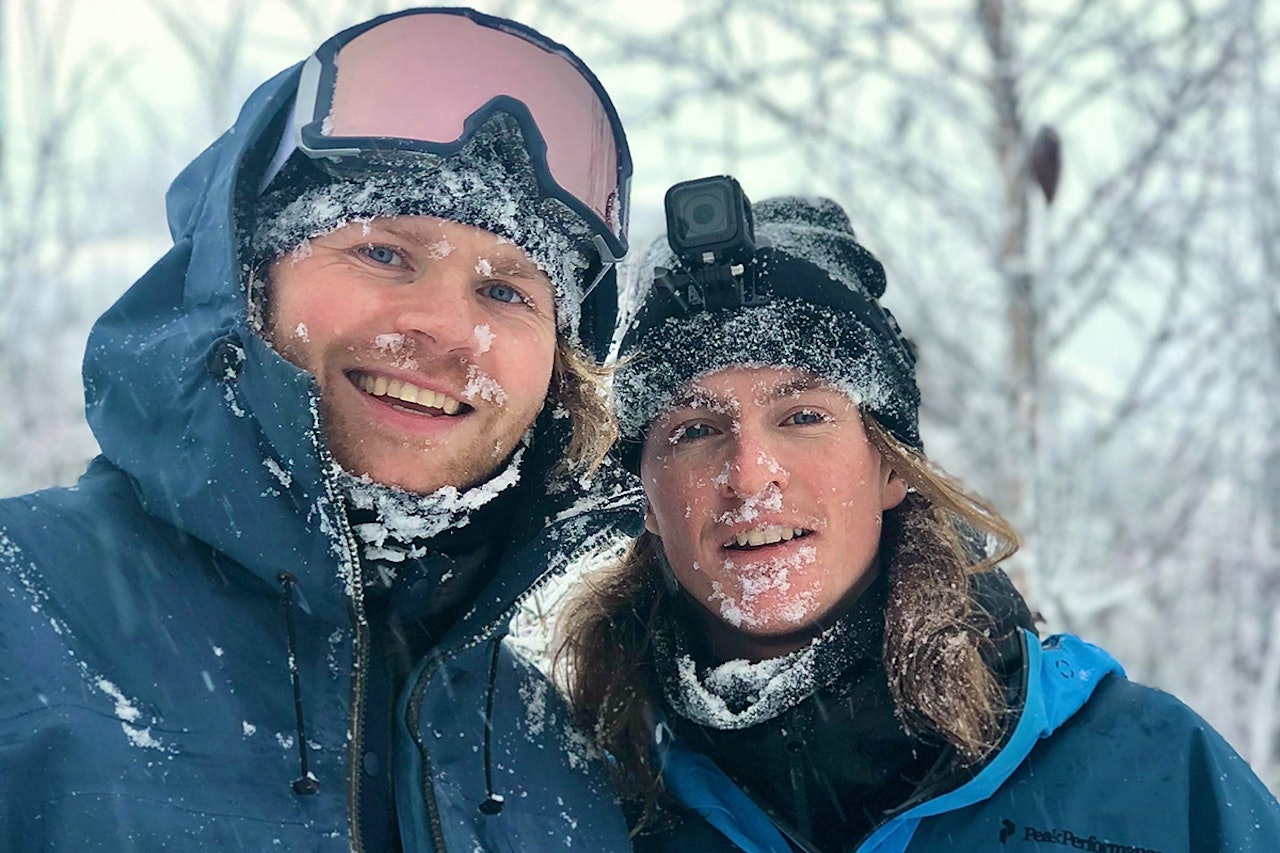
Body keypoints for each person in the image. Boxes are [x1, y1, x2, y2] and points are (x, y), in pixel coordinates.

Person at [0, 8, 644, 851]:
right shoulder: (23, 613)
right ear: (244, 278)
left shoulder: (562, 760)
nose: (447, 330)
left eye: (507, 292)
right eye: (384, 253)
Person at [554, 178, 1280, 852]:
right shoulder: (574, 809)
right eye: (694, 431)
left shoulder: (1148, 773)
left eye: (802, 415)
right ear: (644, 498)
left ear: (892, 467)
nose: (750, 475)